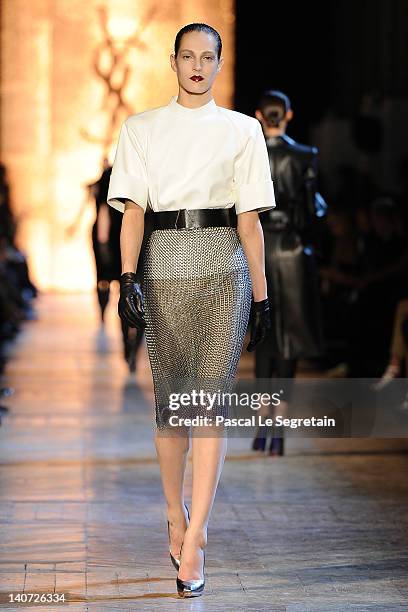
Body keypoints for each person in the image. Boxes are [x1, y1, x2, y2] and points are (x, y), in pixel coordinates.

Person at [107, 23, 275, 598]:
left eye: (209, 57)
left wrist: (262, 294)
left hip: (221, 263)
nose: (198, 65)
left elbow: (250, 220)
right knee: (171, 405)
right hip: (162, 262)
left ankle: (198, 533)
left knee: (209, 403)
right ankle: (174, 517)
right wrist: (126, 276)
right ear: (172, 61)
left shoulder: (244, 130)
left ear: (220, 63)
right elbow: (131, 210)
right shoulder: (141, 129)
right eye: (188, 56)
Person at [251, 90, 325, 456]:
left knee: (263, 335)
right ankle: (279, 426)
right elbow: (313, 212)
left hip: (259, 249)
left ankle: (263, 423)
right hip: (293, 250)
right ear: (289, 115)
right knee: (290, 340)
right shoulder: (305, 156)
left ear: (259, 115)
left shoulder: (250, 154)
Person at [67, 158, 143, 372]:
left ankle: (128, 346)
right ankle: (129, 347)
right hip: (122, 238)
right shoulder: (127, 178)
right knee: (130, 293)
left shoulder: (116, 178)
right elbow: (102, 210)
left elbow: (101, 210)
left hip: (115, 237)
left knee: (119, 289)